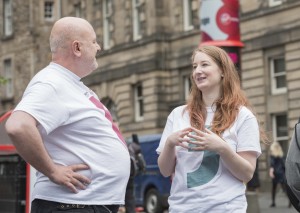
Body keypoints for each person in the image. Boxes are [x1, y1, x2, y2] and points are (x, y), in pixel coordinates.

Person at [5, 17, 130, 213]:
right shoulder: (51, 83)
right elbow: (17, 126)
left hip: (84, 204)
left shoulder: (68, 83)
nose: (98, 47)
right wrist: (53, 171)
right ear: (77, 48)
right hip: (71, 206)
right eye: (94, 41)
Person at [156, 45, 264, 212]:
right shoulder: (178, 114)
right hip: (181, 208)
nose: (197, 71)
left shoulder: (243, 116)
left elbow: (247, 174)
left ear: (222, 71)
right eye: (194, 66)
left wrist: (222, 148)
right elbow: (164, 171)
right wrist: (170, 143)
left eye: (204, 64)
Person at [269, 142, 290, 208]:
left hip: (275, 173)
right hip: (281, 173)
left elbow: (272, 165)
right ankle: (290, 202)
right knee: (285, 189)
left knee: (274, 188)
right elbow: (284, 165)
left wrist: (271, 172)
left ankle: (273, 203)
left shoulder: (272, 155)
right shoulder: (282, 155)